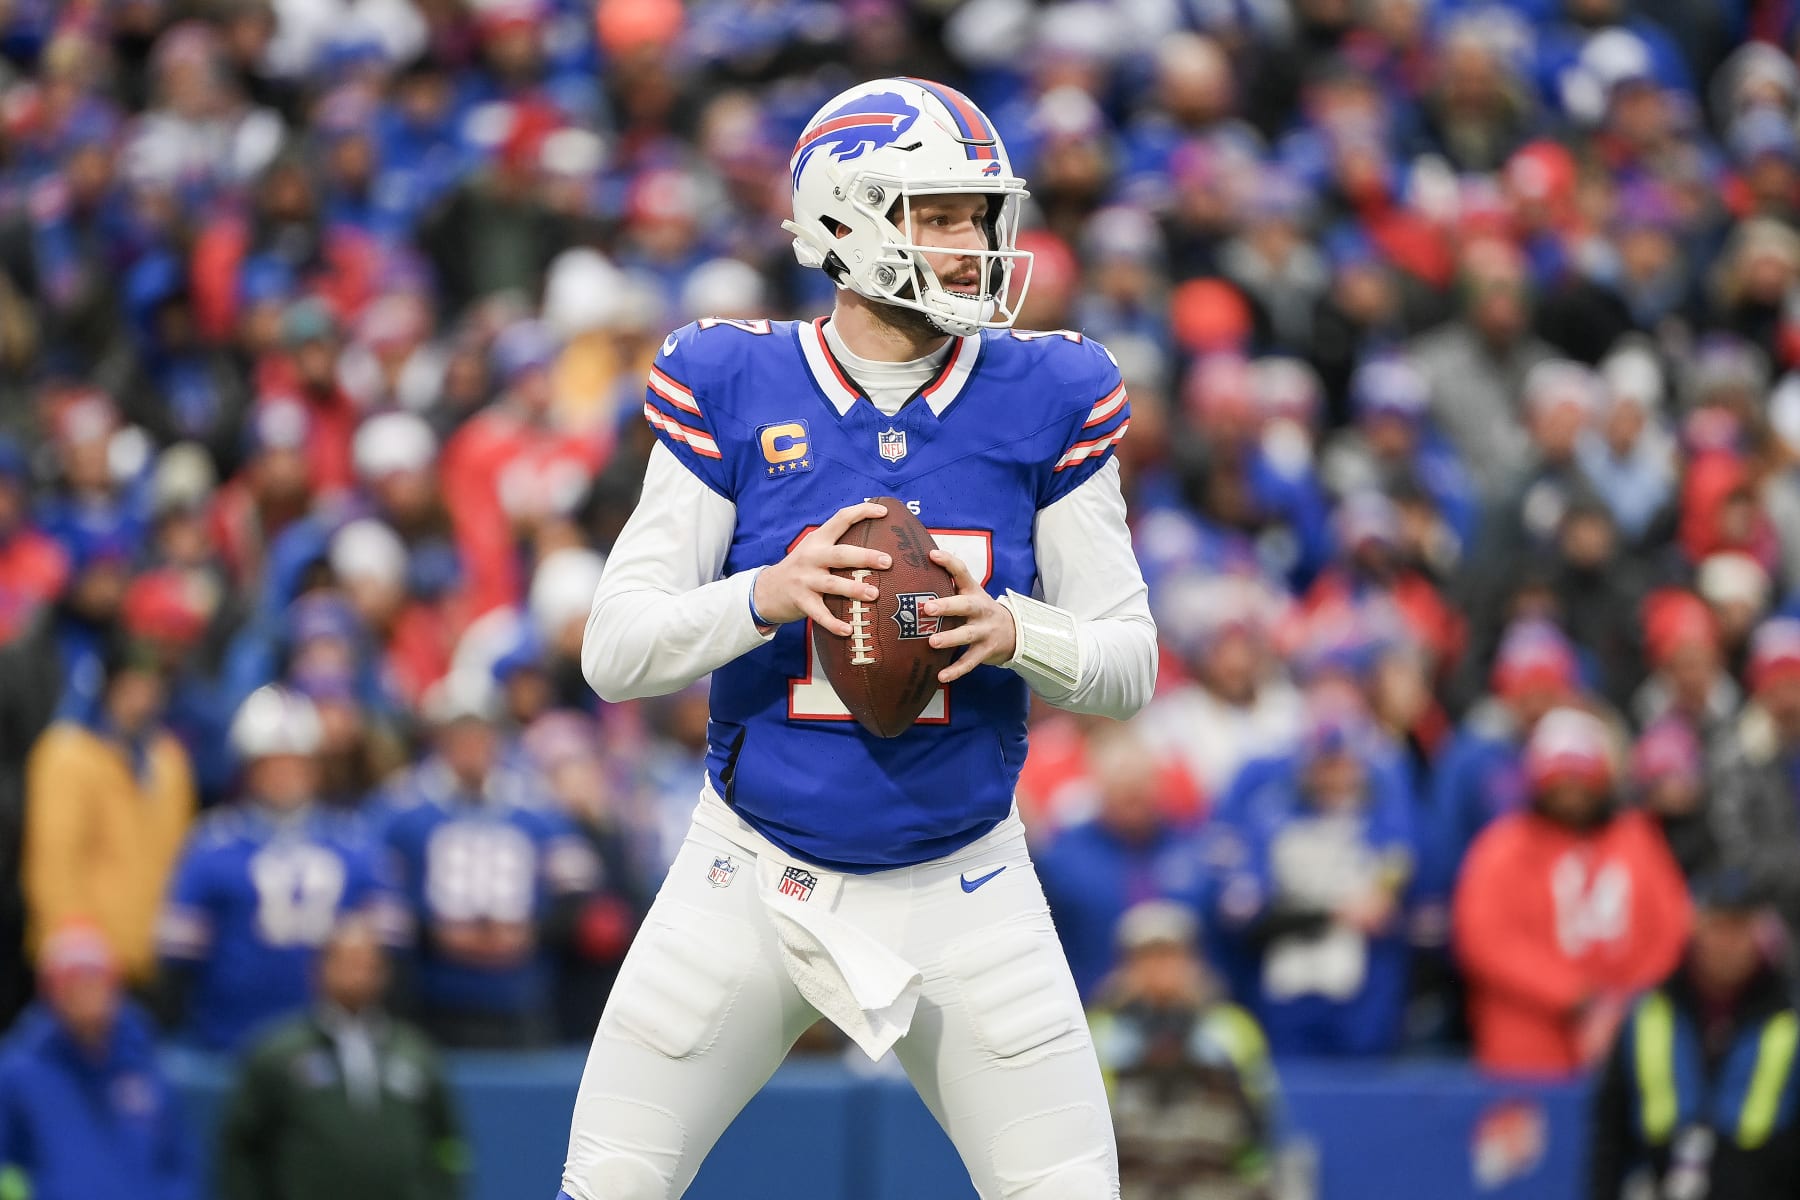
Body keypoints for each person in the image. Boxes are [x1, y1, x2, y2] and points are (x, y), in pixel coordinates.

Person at [560, 77, 1157, 1200]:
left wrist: (1017, 628)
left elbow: (1129, 665)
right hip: (749, 870)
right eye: (937, 213)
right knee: (612, 1187)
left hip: (965, 878)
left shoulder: (1051, 389)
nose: (971, 240)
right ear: (848, 219)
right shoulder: (730, 377)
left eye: (978, 214)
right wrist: (766, 596)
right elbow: (615, 649)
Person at [1454, 707, 1693, 1075]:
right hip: (1527, 1038)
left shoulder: (1637, 839)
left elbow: (1670, 928)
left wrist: (1624, 1002)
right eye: (1559, 780)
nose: (1571, 794)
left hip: (1626, 1030)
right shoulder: (1502, 847)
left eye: (1581, 779)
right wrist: (1573, 994)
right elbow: (1484, 939)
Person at [157, 685, 395, 1050]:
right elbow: (178, 960)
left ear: (315, 767)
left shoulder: (355, 842)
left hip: (333, 1044)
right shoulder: (212, 843)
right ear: (249, 769)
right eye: (271, 762)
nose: (284, 774)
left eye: (295, 761)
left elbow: (390, 952)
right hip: (232, 1037)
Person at [217, 917, 469, 1200]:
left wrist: (445, 1189)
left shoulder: (417, 1053)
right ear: (320, 970)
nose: (356, 974)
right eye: (346, 962)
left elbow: (449, 1144)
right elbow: (242, 1148)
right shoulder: (277, 1055)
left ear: (384, 973)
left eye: (366, 964)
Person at [1589, 870, 1800, 1199]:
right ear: (1694, 928)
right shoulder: (1649, 1012)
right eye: (1717, 926)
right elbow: (1609, 1132)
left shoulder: (1788, 1016)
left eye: (1740, 928)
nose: (1727, 944)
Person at [21, 638, 196, 987]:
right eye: (130, 687)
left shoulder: (167, 759)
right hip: (83, 960)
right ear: (108, 689)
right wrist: (73, 940)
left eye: (150, 688)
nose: (141, 699)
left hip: (149, 952)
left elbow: (181, 852)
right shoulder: (68, 753)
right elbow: (55, 859)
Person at [1089, 901, 1278, 1200]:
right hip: (1126, 1183)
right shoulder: (1098, 1032)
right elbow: (1088, 1125)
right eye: (1148, 957)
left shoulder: (1232, 1028)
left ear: (1194, 961)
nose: (1161, 968)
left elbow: (1260, 1125)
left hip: (1211, 1182)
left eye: (1171, 955)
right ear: (1126, 965)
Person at [0, 921, 198, 1200]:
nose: (88, 995)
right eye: (74, 983)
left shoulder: (147, 1066)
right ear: (52, 993)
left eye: (96, 981)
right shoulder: (18, 1073)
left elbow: (178, 1164)